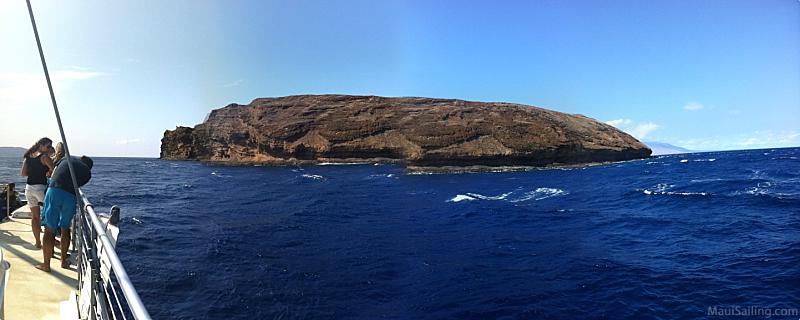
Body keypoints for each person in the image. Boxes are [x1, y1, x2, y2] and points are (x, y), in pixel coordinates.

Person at [35, 155, 93, 272]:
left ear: (81, 159)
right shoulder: (88, 173)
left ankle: (46, 265)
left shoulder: (67, 158)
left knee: (49, 229)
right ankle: (63, 261)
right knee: (65, 228)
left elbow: (54, 173)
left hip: (55, 191)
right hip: (70, 196)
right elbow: (77, 185)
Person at [20, 137, 55, 248]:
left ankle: (38, 242)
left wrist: (34, 171)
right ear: (41, 145)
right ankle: (50, 242)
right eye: (48, 146)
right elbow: (55, 172)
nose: (49, 148)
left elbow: (23, 173)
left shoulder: (28, 157)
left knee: (35, 217)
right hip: (40, 188)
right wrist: (47, 172)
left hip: (29, 188)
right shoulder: (45, 157)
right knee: (49, 216)